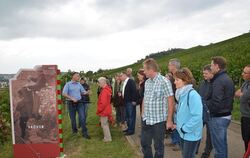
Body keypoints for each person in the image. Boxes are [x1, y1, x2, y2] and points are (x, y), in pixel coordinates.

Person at [141, 58, 175, 158]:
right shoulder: (147, 82)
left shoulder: (164, 81)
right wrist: (143, 114)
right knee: (144, 143)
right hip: (146, 119)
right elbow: (145, 98)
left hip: (159, 121)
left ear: (151, 69)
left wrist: (169, 120)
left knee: (158, 147)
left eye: (145, 69)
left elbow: (171, 101)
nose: (144, 72)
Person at [204, 56, 235, 158]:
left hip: (218, 117)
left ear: (217, 66)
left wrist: (204, 104)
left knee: (218, 147)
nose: (211, 67)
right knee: (222, 144)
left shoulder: (219, 80)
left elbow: (216, 102)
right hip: (225, 115)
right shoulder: (226, 78)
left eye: (212, 65)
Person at [174, 67, 203, 158]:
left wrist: (184, 128)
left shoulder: (192, 95)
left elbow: (197, 116)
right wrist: (179, 127)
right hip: (183, 133)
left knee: (188, 156)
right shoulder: (182, 94)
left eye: (177, 80)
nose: (174, 82)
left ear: (185, 81)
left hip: (190, 134)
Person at [62, 72, 90, 139]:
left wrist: (87, 92)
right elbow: (64, 93)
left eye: (79, 76)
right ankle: (74, 131)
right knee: (73, 119)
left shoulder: (79, 84)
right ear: (73, 77)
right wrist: (72, 98)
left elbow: (83, 91)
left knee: (82, 117)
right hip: (71, 104)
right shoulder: (68, 84)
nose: (79, 77)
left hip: (79, 103)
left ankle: (85, 133)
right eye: (77, 76)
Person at [165, 58, 181, 151]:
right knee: (173, 122)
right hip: (173, 103)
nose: (168, 66)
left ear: (173, 66)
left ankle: (179, 143)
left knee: (178, 123)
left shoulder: (180, 75)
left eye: (169, 65)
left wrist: (175, 104)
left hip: (178, 104)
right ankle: (174, 141)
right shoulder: (172, 76)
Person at [198, 64, 213, 158]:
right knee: (197, 130)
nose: (204, 75)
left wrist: (204, 103)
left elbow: (214, 99)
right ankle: (194, 148)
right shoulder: (202, 83)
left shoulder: (215, 84)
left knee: (209, 134)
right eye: (203, 73)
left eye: (206, 73)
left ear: (212, 73)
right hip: (200, 112)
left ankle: (206, 152)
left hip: (210, 113)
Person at [235, 65, 250, 153]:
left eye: (245, 73)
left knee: (247, 140)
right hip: (244, 116)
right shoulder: (245, 83)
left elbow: (243, 97)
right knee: (245, 139)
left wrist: (242, 95)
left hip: (248, 117)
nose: (242, 74)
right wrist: (242, 95)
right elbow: (237, 93)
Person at [120, 71, 137, 135]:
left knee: (131, 116)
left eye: (121, 76)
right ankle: (129, 128)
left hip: (130, 102)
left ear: (125, 75)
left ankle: (131, 130)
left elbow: (134, 91)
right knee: (127, 116)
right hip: (126, 102)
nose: (120, 77)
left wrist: (134, 100)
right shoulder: (124, 82)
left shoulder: (131, 81)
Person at [96, 77, 112, 142]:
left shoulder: (104, 91)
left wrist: (99, 110)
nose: (98, 84)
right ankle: (107, 137)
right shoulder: (107, 89)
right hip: (107, 109)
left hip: (104, 110)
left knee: (104, 125)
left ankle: (107, 138)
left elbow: (103, 103)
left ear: (103, 82)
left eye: (99, 83)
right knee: (105, 124)